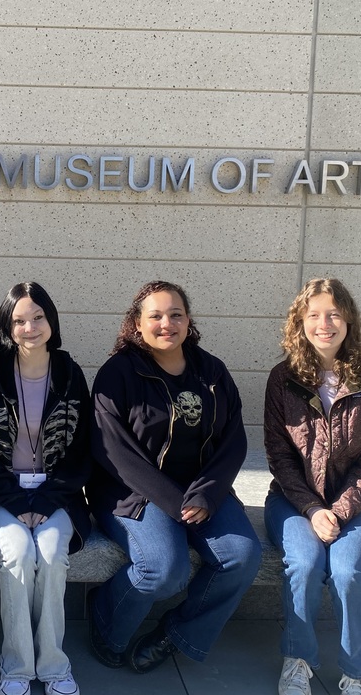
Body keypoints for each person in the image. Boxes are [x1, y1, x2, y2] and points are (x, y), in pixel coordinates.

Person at [86, 280, 261, 674]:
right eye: (156, 316)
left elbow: (233, 440)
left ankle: (178, 633)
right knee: (163, 570)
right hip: (133, 493)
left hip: (202, 491)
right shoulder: (119, 373)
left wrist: (207, 494)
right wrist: (176, 502)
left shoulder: (211, 371)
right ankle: (104, 617)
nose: (167, 323)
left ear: (188, 320)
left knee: (242, 555)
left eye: (176, 314)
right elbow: (113, 450)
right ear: (137, 323)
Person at [0, 282, 92, 695]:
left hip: (57, 493)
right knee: (19, 553)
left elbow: (82, 452)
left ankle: (54, 665)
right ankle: (17, 667)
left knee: (52, 554)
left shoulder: (70, 374)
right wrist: (13, 499)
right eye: (19, 320)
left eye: (38, 317)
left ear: (51, 320)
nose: (30, 328)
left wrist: (45, 499)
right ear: (7, 327)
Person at [264, 278, 361, 695]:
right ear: (300, 322)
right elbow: (279, 456)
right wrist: (312, 508)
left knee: (348, 572)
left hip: (357, 505)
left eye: (334, 314)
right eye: (315, 315)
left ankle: (357, 673)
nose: (325, 324)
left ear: (348, 321)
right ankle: (297, 661)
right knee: (304, 565)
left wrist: (337, 511)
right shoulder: (282, 379)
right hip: (293, 502)